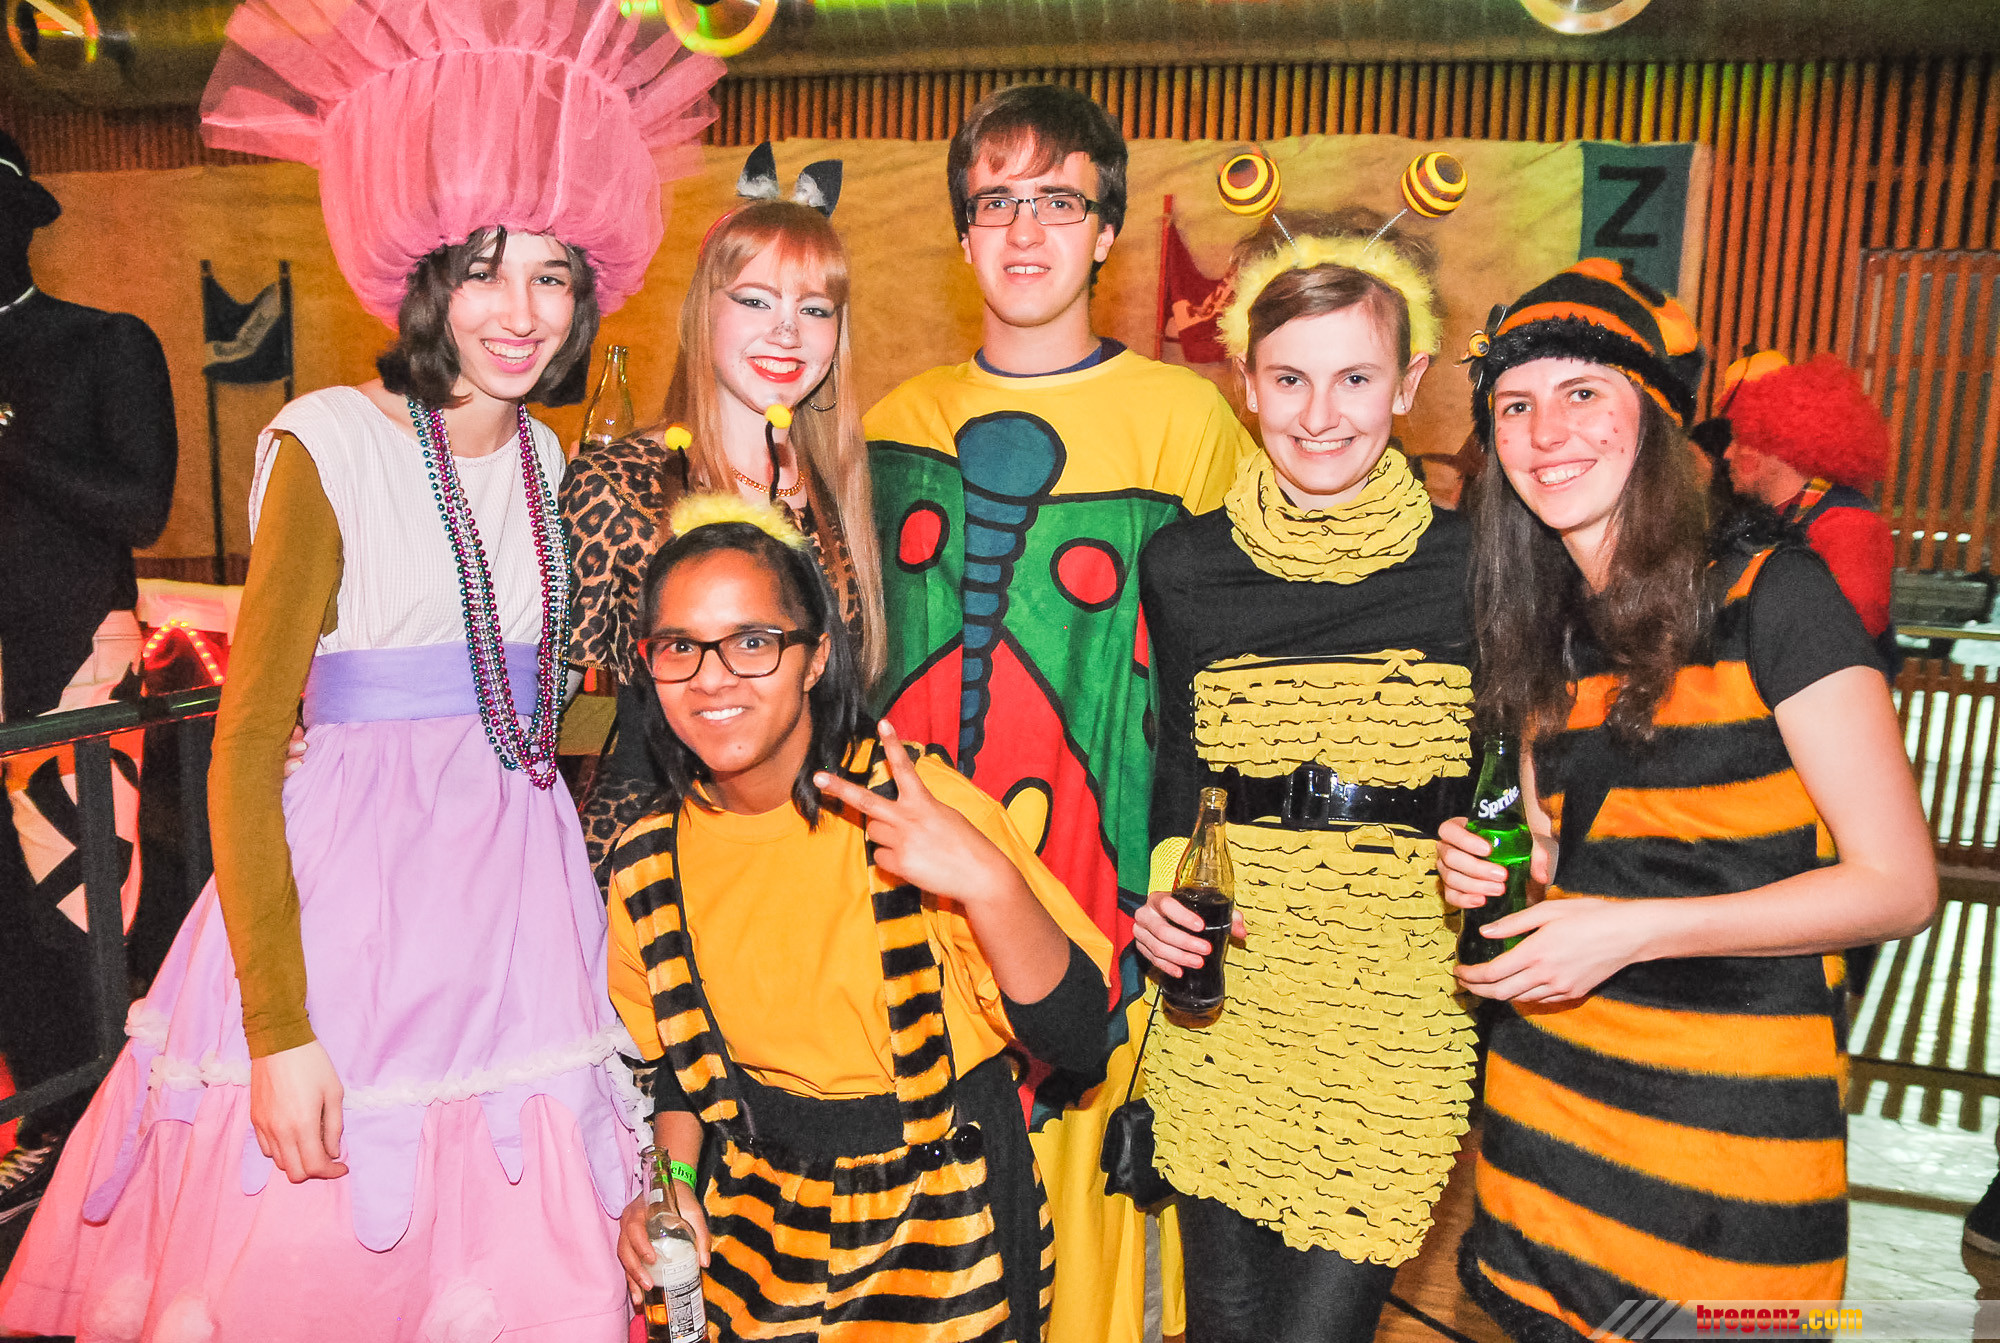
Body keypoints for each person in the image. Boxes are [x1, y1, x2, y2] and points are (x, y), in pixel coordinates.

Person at [0, 3, 721, 1337]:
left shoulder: (547, 460)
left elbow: (530, 708)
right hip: (355, 927)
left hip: (516, 913)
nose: (520, 312)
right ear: (426, 275)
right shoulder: (330, 440)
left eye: (552, 276)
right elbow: (244, 741)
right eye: (485, 272)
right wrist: (279, 1028)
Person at [1436, 259, 1936, 1342]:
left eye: (1583, 392)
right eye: (1514, 405)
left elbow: (1898, 886)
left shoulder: (1774, 595)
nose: (1545, 430)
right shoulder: (1535, 624)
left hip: (1726, 1146)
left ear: (1656, 420)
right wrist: (1505, 861)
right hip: (1542, 1128)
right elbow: (1566, 857)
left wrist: (1636, 928)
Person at [865, 82, 1254, 1340]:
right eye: (995, 202)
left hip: (1109, 890)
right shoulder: (892, 426)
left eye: (1056, 201)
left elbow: (1230, 673)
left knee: (1090, 1252)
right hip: (920, 901)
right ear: (960, 234)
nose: (1024, 230)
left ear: (1105, 233)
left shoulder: (1186, 423)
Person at [605, 494, 1112, 1339]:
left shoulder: (918, 810)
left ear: (814, 658)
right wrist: (671, 1184)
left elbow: (1078, 1037)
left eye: (752, 642)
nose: (712, 677)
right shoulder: (650, 863)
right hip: (755, 1240)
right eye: (680, 647)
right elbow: (676, 1073)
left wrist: (989, 884)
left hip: (946, 1234)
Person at [1130, 210, 1476, 1342]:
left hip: (1394, 1019)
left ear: (1408, 383)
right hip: (1225, 1012)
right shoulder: (1184, 563)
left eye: (1354, 378)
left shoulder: (1472, 566)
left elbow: (1516, 775)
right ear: (1245, 384)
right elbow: (1179, 772)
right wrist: (1159, 899)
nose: (1319, 414)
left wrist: (1509, 855)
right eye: (1289, 378)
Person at [565, 161, 884, 890]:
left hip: (817, 864)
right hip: (656, 867)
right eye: (755, 299)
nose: (787, 331)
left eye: (815, 309)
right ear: (702, 312)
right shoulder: (616, 485)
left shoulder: (841, 494)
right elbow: (533, 711)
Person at [0, 128, 179, 1227]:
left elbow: (142, 507)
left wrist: (8, 438)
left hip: (70, 662)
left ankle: (107, 1142)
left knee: (79, 916)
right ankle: (46, 1128)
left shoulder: (104, 342)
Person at [1708, 350, 1898, 673]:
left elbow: (1840, 645)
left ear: (1778, 449)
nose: (1727, 453)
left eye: (1739, 440)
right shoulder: (1772, 518)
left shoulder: (1848, 525)